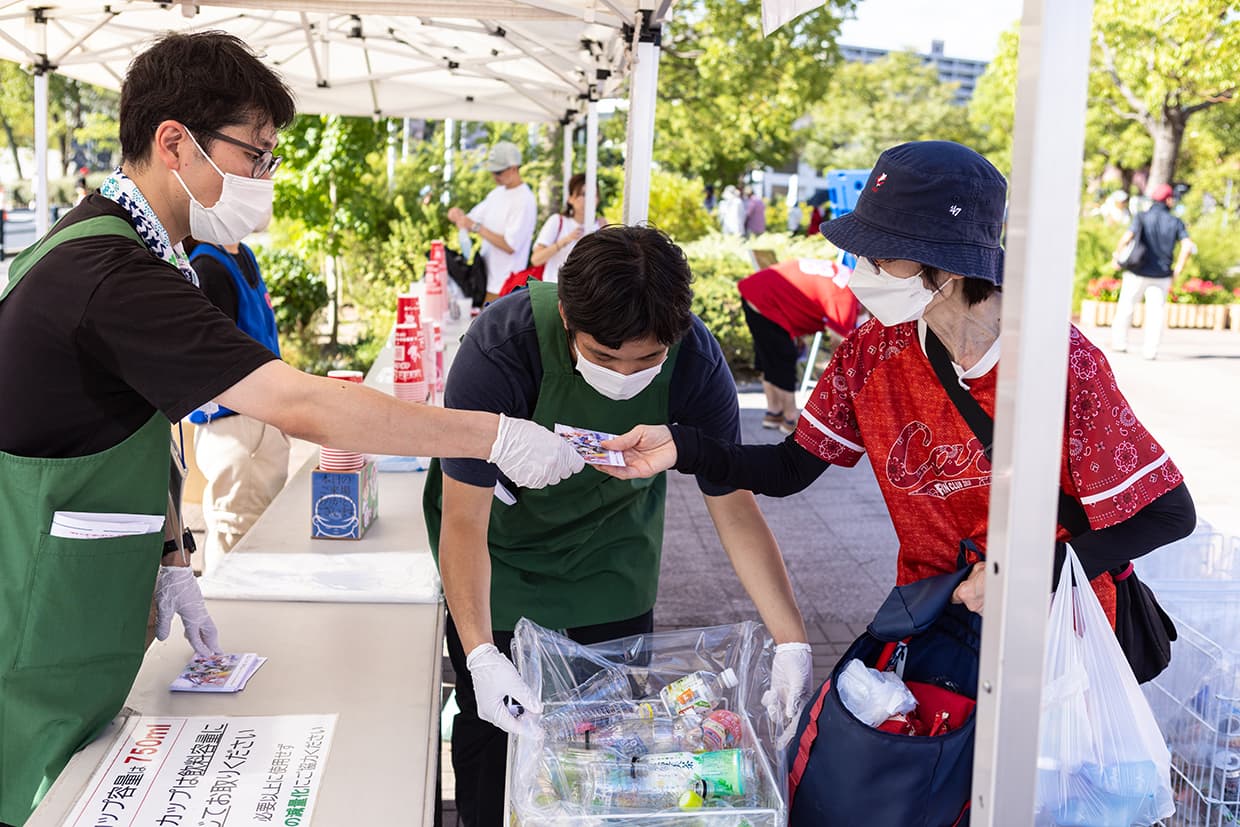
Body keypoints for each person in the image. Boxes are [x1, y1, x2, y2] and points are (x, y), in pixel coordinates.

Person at [0, 32, 583, 827]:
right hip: (32, 640)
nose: (263, 180)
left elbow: (128, 421)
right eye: (256, 155)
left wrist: (173, 551)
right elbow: (303, 404)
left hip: (80, 618)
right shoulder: (109, 273)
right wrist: (492, 435)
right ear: (175, 142)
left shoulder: (135, 249)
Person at [603, 141, 1195, 642]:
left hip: (1057, 630)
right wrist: (681, 448)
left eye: (882, 256)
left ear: (952, 261)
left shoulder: (1058, 365)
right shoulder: (872, 352)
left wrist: (1024, 570)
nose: (863, 271)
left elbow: (1170, 514)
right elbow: (791, 468)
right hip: (933, 613)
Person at [422, 225, 813, 827]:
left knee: (608, 743)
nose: (625, 374)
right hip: (503, 556)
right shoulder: (504, 345)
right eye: (603, 357)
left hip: (614, 552)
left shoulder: (696, 365)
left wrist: (791, 639)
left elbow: (733, 504)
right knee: (493, 736)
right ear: (570, 322)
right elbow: (464, 519)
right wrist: (478, 652)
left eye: (647, 359)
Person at [185, 238, 288, 574]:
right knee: (236, 540)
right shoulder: (208, 268)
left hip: (263, 418)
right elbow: (215, 364)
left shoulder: (242, 254)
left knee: (262, 537)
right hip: (236, 428)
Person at [739, 258, 858, 433]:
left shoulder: (846, 275)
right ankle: (790, 419)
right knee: (781, 359)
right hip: (764, 299)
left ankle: (774, 413)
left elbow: (804, 293)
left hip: (759, 290)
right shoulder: (845, 296)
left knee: (767, 358)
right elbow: (839, 343)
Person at [1110, 182, 1194, 360]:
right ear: (1169, 200)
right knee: (1156, 313)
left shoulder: (1141, 217)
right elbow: (1187, 246)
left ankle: (1120, 343)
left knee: (1126, 307)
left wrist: (1117, 257)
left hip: (1137, 271)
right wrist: (1178, 268)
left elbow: (1127, 237)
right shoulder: (1175, 222)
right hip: (1162, 275)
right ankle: (1150, 351)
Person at [446, 141, 537, 304]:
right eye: (493, 171)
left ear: (514, 168)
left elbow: (510, 245)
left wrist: (476, 227)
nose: (495, 176)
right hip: (486, 281)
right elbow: (471, 219)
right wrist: (457, 215)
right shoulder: (496, 193)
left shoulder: (524, 200)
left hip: (506, 287)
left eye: (499, 171)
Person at [527, 172, 602, 284]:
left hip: (585, 295)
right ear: (570, 198)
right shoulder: (558, 221)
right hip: (554, 289)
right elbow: (536, 259)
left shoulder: (600, 226)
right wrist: (565, 240)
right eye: (583, 194)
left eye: (593, 194)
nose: (588, 199)